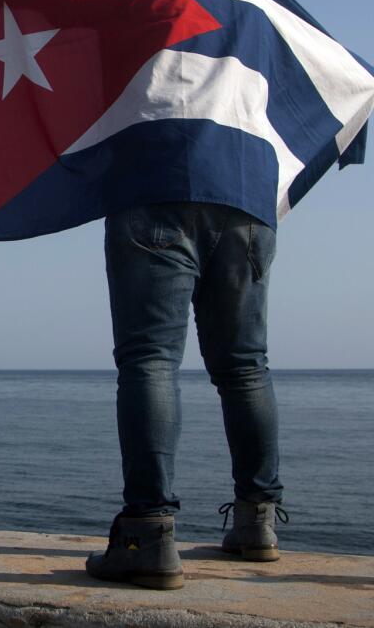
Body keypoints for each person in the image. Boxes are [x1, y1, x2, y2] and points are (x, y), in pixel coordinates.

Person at [85, 201, 288, 589]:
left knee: (150, 358)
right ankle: (257, 522)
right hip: (247, 196)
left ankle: (148, 533)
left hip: (161, 184)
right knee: (245, 368)